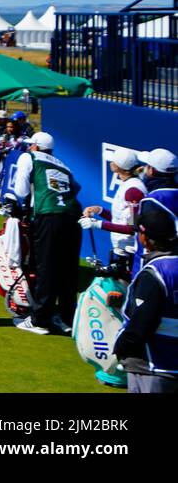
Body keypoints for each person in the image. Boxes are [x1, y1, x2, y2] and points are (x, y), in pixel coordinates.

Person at [5, 131, 82, 335]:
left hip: (49, 215)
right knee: (68, 270)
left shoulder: (29, 157)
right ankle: (66, 318)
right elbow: (76, 188)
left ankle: (40, 320)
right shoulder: (63, 164)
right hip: (73, 216)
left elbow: (20, 188)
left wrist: (18, 203)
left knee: (46, 267)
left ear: (36, 146)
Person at [113, 189, 178, 393]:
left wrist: (121, 347)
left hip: (152, 366)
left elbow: (142, 322)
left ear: (145, 239)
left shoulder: (154, 273)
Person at [81, 150, 149, 275]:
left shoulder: (133, 190)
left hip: (129, 253)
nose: (110, 162)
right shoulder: (128, 185)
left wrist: (97, 224)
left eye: (113, 160)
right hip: (121, 251)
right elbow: (121, 219)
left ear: (118, 167)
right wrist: (100, 211)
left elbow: (131, 227)